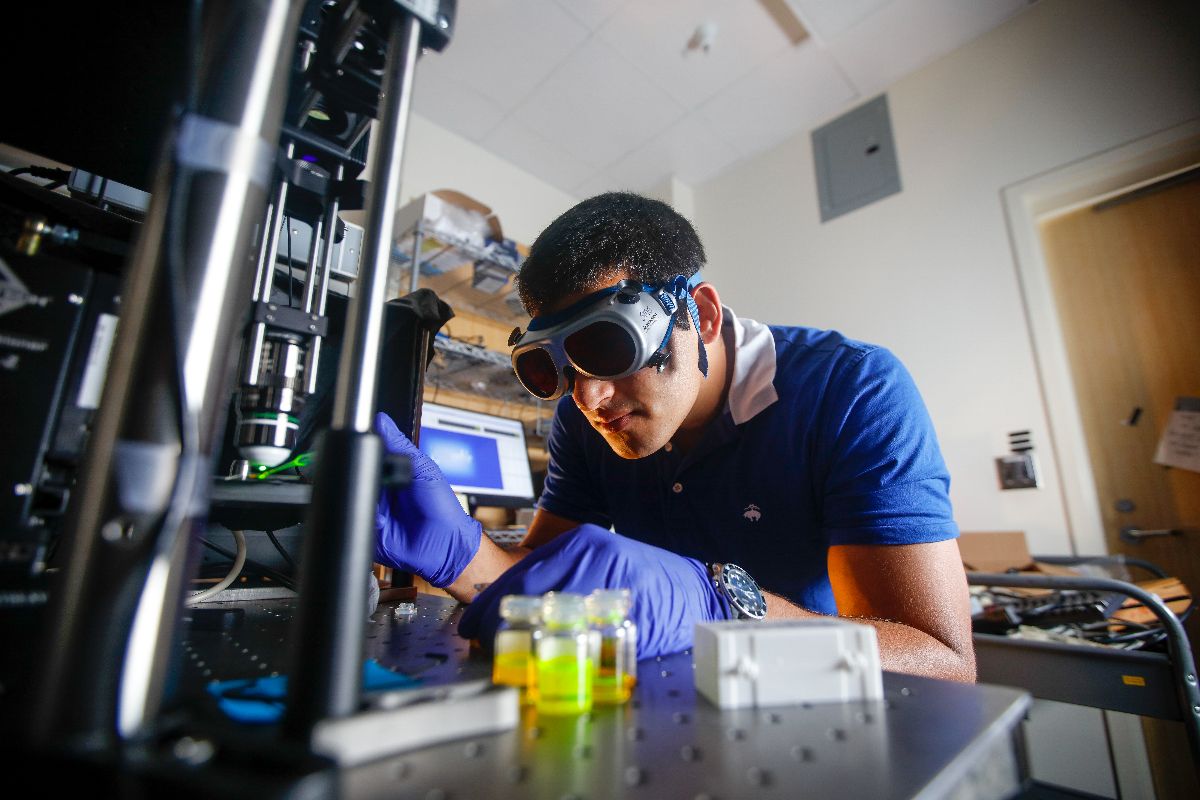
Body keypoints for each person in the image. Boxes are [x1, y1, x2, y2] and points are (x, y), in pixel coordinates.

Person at [376, 192, 975, 682]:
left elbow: (943, 664)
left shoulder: (850, 389)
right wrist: (463, 553)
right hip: (660, 704)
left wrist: (729, 611)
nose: (588, 399)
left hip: (804, 697)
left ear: (702, 317)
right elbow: (537, 581)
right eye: (553, 369)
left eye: (608, 347)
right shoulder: (581, 423)